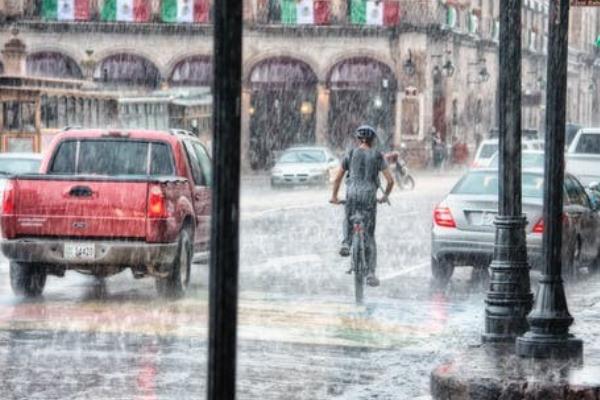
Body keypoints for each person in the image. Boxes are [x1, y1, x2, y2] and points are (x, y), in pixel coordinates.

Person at [329, 125, 394, 287]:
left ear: (358, 139)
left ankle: (346, 242)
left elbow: (337, 179)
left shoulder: (350, 154)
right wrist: (385, 196)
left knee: (348, 218)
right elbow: (391, 181)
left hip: (352, 195)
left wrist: (334, 196)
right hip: (369, 197)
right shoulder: (378, 156)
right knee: (370, 236)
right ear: (373, 140)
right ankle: (371, 273)